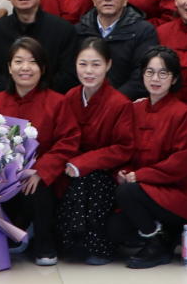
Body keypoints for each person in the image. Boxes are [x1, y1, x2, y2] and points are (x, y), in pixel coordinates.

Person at [105, 46, 187, 269]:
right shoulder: (133, 109)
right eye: (150, 72)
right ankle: (164, 235)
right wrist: (124, 172)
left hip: (175, 193)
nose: (155, 79)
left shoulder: (184, 113)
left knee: (126, 192)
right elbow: (123, 150)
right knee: (114, 229)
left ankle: (156, 245)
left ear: (174, 78)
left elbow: (182, 162)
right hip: (142, 191)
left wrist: (140, 176)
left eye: (163, 73)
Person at [0, 38, 76, 267]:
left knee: (36, 188)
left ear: (42, 67)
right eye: (18, 61)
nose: (25, 67)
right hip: (3, 178)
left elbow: (68, 142)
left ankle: (44, 242)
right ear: (9, 67)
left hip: (42, 177)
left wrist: (40, 171)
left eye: (32, 62)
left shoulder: (58, 102)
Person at [56, 38, 135, 266]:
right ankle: (70, 241)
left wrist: (84, 163)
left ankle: (97, 246)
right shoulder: (70, 97)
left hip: (105, 172)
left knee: (91, 180)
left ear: (108, 65)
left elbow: (122, 148)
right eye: (83, 64)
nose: (88, 71)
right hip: (69, 167)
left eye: (96, 64)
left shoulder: (120, 103)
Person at [73, 0, 158, 100]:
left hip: (126, 104)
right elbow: (71, 73)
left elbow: (142, 76)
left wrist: (112, 102)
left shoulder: (143, 31)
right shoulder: (79, 31)